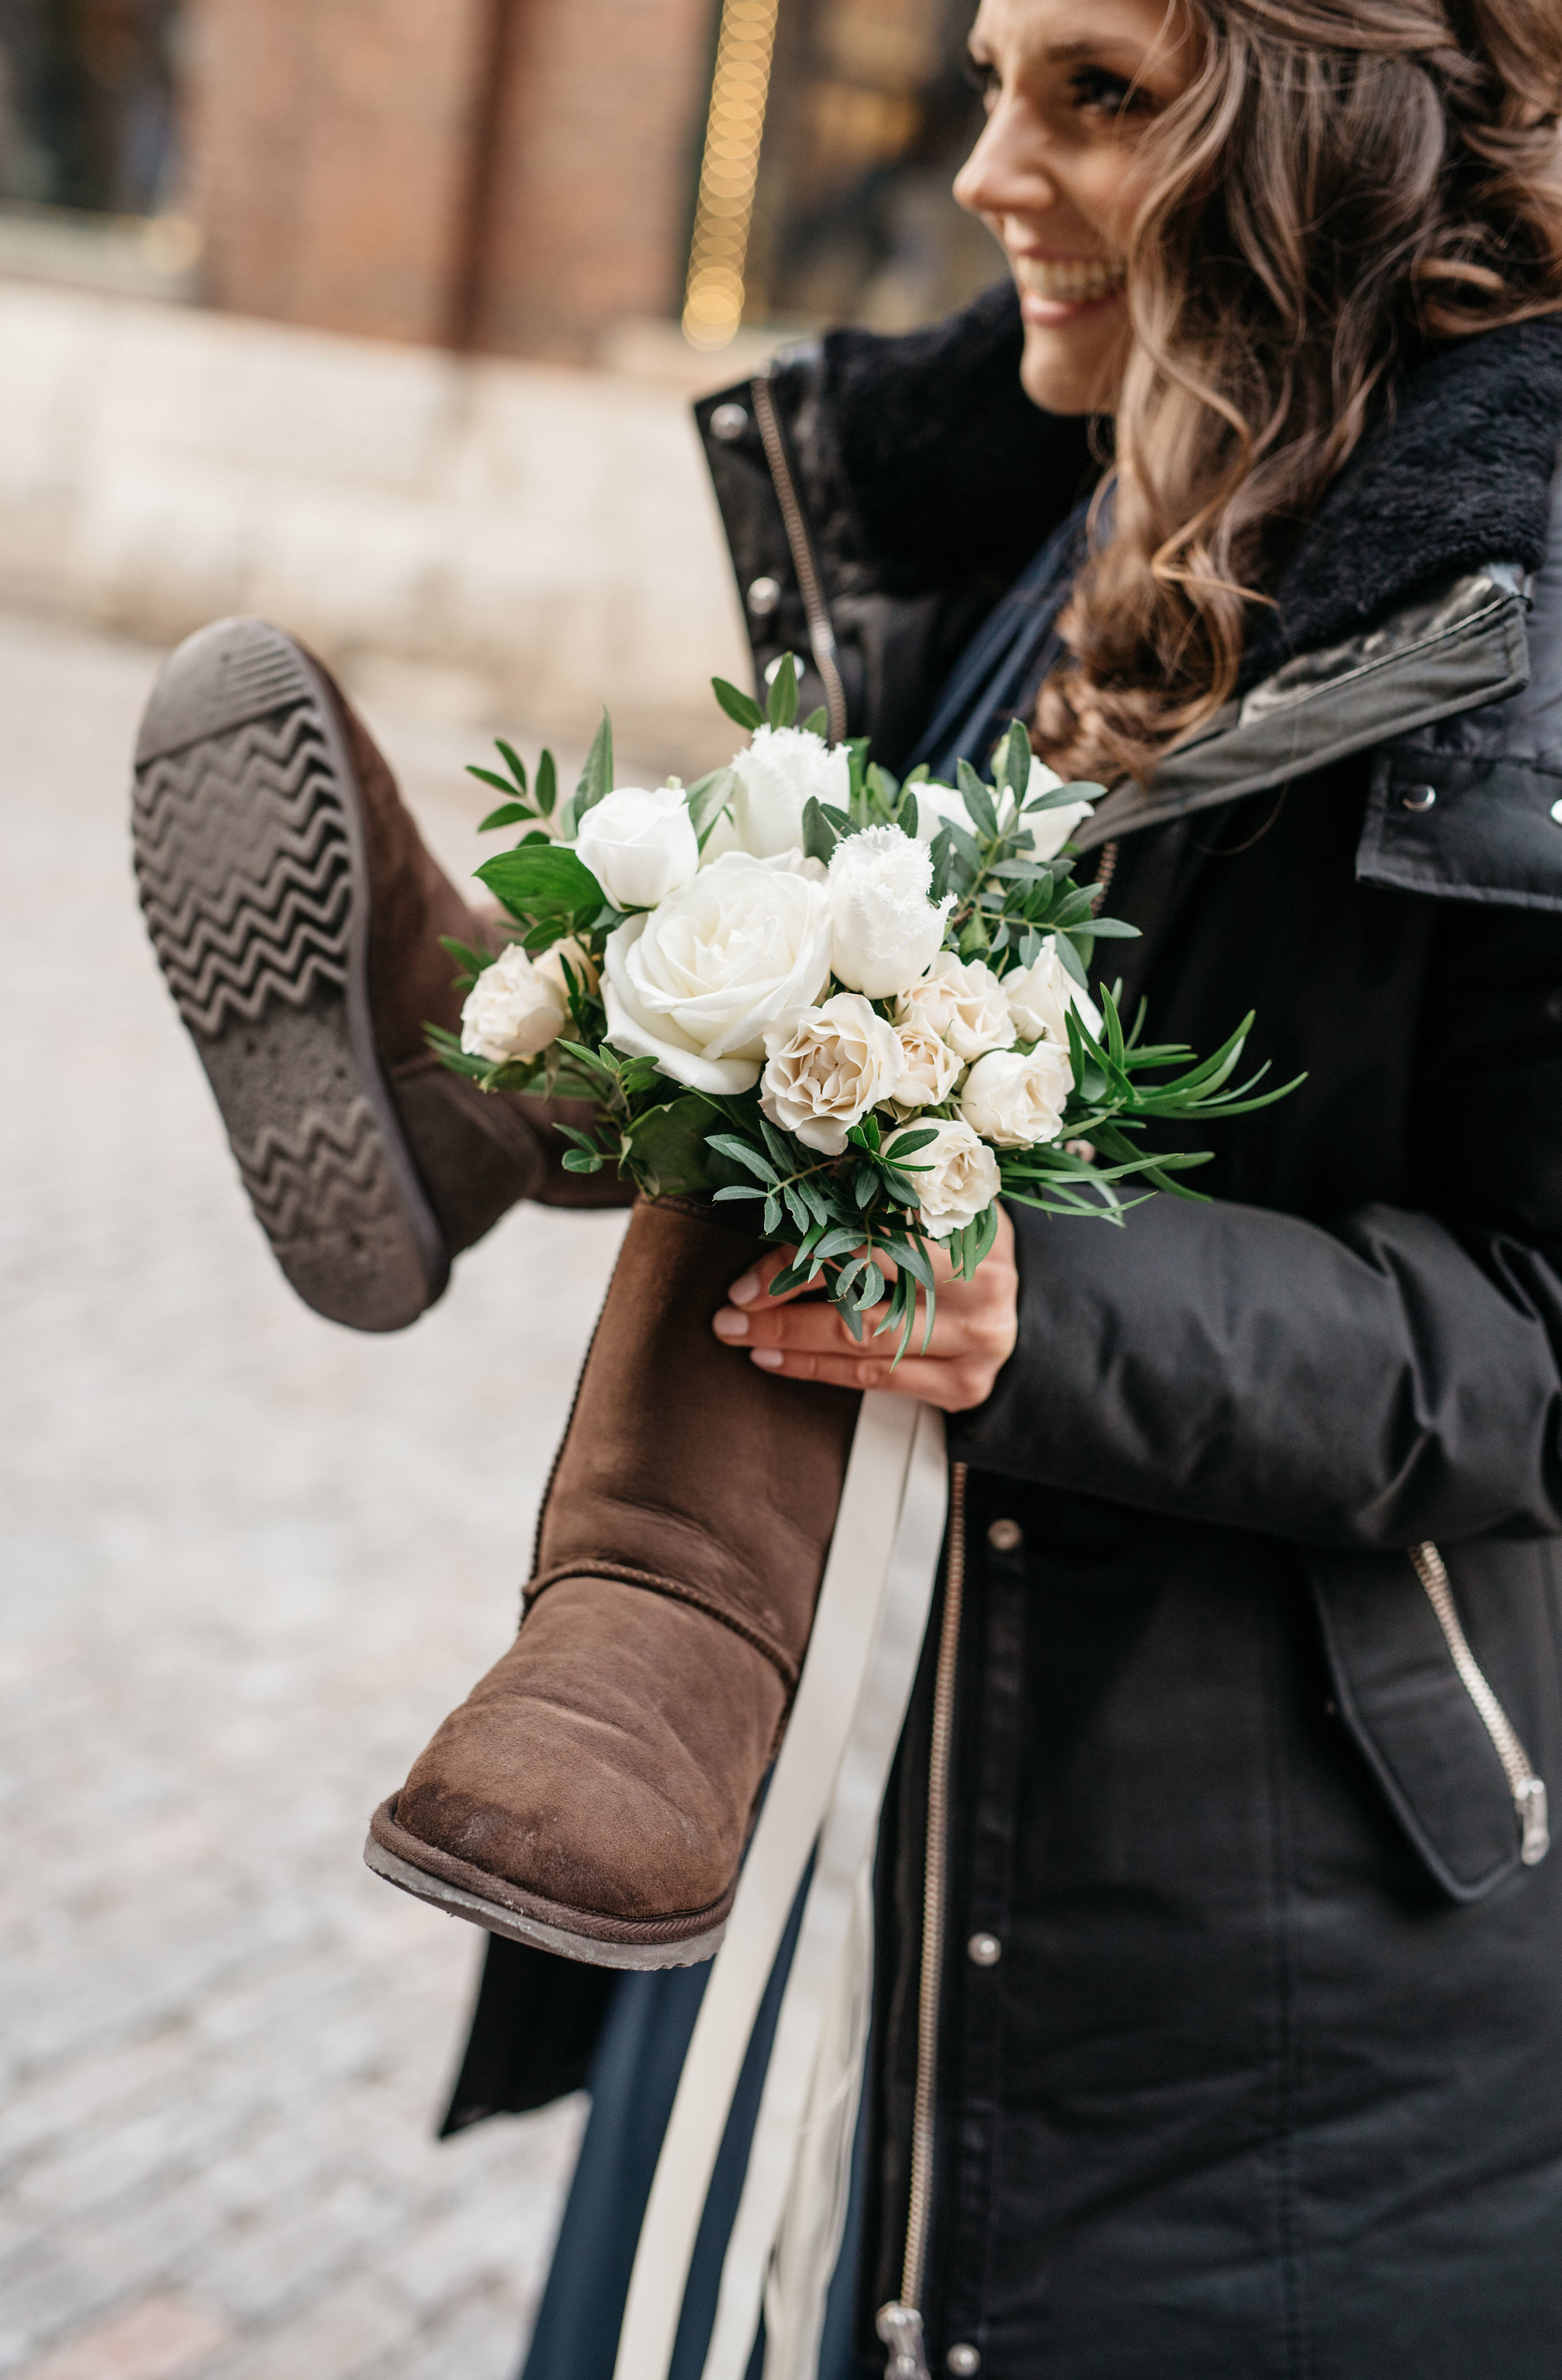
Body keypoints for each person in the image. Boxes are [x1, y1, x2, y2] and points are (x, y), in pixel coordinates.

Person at [132, 0, 1562, 2368]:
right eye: (989, 75)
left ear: (1334, 122)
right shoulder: (1056, 507)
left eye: (1095, 94)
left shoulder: (1510, 603)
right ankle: (518, 1066)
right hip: (825, 1782)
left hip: (1230, 1958)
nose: (987, 170)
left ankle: (511, 1192)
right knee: (823, 985)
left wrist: (1042, 1301)